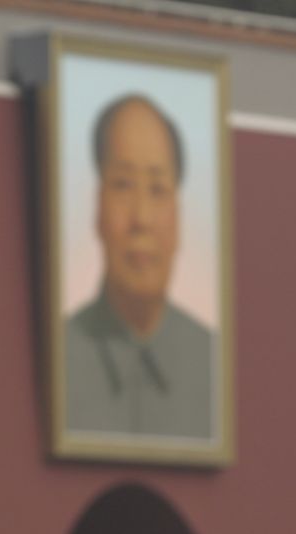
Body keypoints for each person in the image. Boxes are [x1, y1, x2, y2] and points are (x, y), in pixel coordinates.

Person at [64, 93, 214, 440]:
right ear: (97, 206)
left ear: (178, 215)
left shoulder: (210, 361)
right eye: (123, 185)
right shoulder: (63, 356)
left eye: (158, 189)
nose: (141, 219)